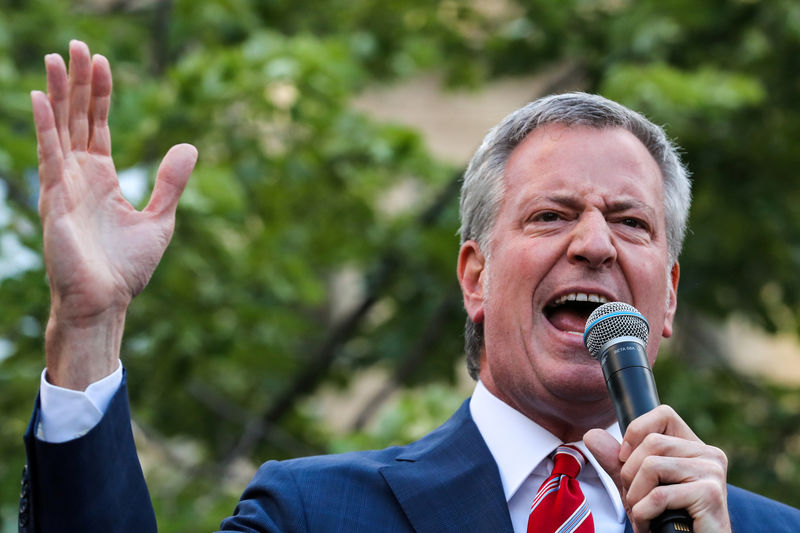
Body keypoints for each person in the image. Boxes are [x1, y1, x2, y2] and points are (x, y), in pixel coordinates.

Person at [19, 40, 800, 533]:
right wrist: (88, 326)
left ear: (666, 298)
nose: (593, 243)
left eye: (630, 221)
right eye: (552, 213)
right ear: (475, 277)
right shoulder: (315, 514)